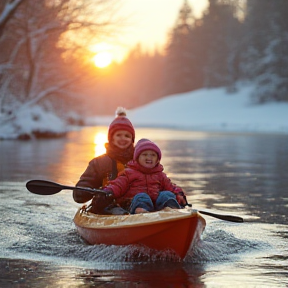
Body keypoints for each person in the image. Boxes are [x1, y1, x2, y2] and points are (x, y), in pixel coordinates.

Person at [73, 107, 135, 215]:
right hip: (106, 206)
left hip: (136, 204)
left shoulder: (139, 161)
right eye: (118, 135)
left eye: (127, 136)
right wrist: (85, 190)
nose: (123, 138)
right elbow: (78, 196)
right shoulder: (98, 163)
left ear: (132, 139)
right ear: (111, 138)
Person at [103, 138, 188, 214]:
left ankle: (171, 210)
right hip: (132, 205)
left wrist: (179, 194)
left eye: (153, 155)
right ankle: (141, 211)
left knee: (166, 194)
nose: (149, 157)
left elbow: (171, 187)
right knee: (142, 196)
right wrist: (108, 191)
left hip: (155, 208)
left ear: (157, 159)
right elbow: (118, 185)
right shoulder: (128, 173)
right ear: (137, 158)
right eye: (145, 154)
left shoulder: (160, 175)